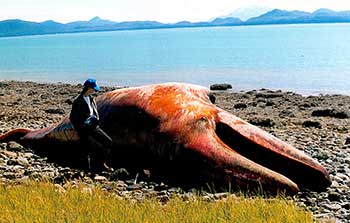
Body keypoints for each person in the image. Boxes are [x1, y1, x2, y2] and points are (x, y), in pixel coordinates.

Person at [69, 78, 113, 171]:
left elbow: (93, 112)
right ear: (89, 88)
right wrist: (81, 126)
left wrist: (94, 119)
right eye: (94, 88)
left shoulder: (91, 98)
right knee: (85, 149)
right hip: (83, 128)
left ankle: (100, 163)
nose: (94, 91)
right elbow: (73, 117)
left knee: (107, 141)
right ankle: (86, 169)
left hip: (93, 126)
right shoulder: (78, 101)